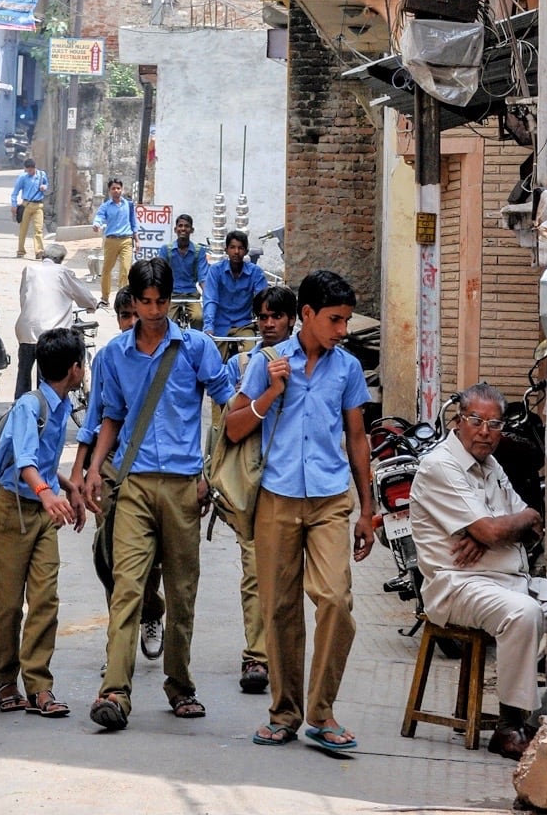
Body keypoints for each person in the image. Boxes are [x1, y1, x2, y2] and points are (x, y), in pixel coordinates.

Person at [410, 381, 547, 760]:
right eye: (476, 421)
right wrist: (496, 530)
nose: (486, 432)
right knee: (523, 614)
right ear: (457, 422)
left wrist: (505, 528)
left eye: (495, 424)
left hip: (517, 581)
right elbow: (494, 528)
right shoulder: (440, 466)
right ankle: (509, 726)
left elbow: (532, 525)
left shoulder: (492, 465)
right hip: (459, 586)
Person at [226, 271, 375, 755]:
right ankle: (284, 712)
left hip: (331, 499)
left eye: (346, 320)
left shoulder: (348, 368)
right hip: (276, 497)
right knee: (281, 608)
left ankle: (322, 711)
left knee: (335, 599)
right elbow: (233, 428)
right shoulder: (267, 362)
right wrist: (270, 393)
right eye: (335, 319)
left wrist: (367, 510)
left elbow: (357, 438)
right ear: (306, 315)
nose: (342, 330)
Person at [83, 257, 235, 730]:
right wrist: (92, 471)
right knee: (127, 588)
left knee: (182, 593)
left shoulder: (196, 348)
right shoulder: (112, 355)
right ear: (133, 300)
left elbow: (228, 409)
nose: (152, 310)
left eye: (160, 301)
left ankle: (180, 686)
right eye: (144, 302)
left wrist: (215, 471)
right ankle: (114, 690)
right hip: (132, 484)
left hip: (185, 488)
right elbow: (110, 415)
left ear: (172, 300)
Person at [0, 326, 87, 718]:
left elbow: (43, 462)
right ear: (75, 369)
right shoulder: (30, 406)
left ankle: (40, 686)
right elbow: (25, 461)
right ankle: (5, 681)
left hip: (42, 511)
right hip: (13, 508)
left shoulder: (61, 404)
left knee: (45, 598)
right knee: (9, 603)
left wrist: (69, 489)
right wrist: (49, 496)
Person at [69, 285, 166, 663]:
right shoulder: (108, 357)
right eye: (125, 315)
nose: (131, 322)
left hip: (155, 468)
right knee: (109, 553)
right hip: (110, 468)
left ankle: (150, 612)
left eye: (136, 313)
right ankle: (122, 637)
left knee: (152, 552)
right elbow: (95, 417)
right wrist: (81, 469)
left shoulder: (167, 354)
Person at [217, 284, 298, 696]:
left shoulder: (313, 362)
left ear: (291, 319)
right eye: (263, 317)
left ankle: (281, 654)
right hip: (256, 483)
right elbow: (233, 422)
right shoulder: (250, 363)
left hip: (298, 488)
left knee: (286, 575)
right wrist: (269, 392)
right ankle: (257, 656)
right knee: (254, 571)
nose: (269, 324)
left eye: (276, 317)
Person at [14, 244, 95, 400]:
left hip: (26, 329)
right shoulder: (63, 272)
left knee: (23, 373)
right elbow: (85, 297)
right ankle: (45, 415)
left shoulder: (29, 270)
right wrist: (92, 305)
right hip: (51, 334)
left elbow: (24, 296)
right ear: (60, 260)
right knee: (46, 381)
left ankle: (18, 410)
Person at [202, 230, 268, 355]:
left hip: (244, 324)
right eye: (232, 247)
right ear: (226, 250)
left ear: (246, 251)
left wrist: (264, 323)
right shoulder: (216, 271)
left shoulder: (255, 272)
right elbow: (211, 299)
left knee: (250, 357)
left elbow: (263, 300)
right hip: (219, 324)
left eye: (240, 248)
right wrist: (209, 327)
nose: (236, 252)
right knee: (214, 360)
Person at [92, 178, 138, 308]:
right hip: (111, 241)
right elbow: (99, 217)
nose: (116, 191)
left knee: (125, 270)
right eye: (113, 188)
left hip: (126, 240)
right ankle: (105, 298)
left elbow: (133, 223)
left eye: (118, 188)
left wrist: (137, 241)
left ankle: (122, 298)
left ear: (122, 189)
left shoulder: (128, 205)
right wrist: (97, 225)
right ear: (109, 191)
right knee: (106, 270)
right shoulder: (106, 206)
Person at [160, 214, 209, 327]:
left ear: (192, 230)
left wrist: (208, 296)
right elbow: (160, 274)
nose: (183, 229)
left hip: (191, 294)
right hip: (172, 294)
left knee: (199, 318)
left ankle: (195, 343)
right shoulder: (166, 250)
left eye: (187, 226)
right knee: (167, 323)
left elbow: (203, 277)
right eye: (180, 226)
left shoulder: (198, 251)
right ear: (175, 229)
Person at [11, 159, 49, 259]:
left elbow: (46, 184)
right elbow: (15, 192)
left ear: (34, 168)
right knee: (23, 229)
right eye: (27, 170)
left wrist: (44, 187)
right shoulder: (22, 177)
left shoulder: (41, 175)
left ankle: (39, 251)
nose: (29, 172)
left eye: (31, 170)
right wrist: (14, 205)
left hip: (38, 206)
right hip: (26, 205)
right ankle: (21, 250)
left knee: (38, 229)